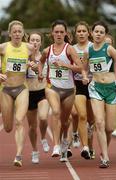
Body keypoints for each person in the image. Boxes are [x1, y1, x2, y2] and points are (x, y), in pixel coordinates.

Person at [38, 19, 86, 162]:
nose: (59, 34)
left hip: (69, 89)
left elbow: (80, 67)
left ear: (65, 33)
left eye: (61, 32)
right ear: (52, 33)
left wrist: (65, 65)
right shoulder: (47, 50)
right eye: (56, 32)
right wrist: (40, 73)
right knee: (56, 113)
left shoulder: (69, 49)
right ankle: (56, 146)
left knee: (65, 121)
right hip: (53, 88)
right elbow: (40, 62)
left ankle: (66, 141)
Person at [83, 21, 116, 168]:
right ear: (92, 32)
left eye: (102, 32)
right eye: (96, 31)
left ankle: (104, 150)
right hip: (96, 88)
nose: (98, 34)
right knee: (100, 123)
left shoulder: (109, 49)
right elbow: (84, 68)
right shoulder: (88, 51)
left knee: (109, 128)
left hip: (112, 90)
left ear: (105, 35)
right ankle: (105, 158)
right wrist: (85, 76)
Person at [0, 20, 35, 167]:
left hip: (22, 88)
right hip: (6, 90)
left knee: (20, 121)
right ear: (9, 33)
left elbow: (35, 66)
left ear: (23, 33)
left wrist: (34, 66)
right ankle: (8, 124)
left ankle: (18, 155)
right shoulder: (2, 47)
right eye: (14, 31)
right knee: (8, 127)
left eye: (19, 31)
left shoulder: (29, 48)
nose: (17, 34)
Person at [68, 21, 95, 159]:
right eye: (79, 31)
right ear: (75, 33)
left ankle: (90, 146)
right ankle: (85, 147)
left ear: (88, 33)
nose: (81, 33)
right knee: (82, 116)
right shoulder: (71, 49)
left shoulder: (93, 47)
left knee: (91, 120)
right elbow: (68, 67)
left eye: (84, 31)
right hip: (78, 85)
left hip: (93, 85)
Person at [26, 32, 50, 164]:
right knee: (31, 127)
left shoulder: (44, 57)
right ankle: (35, 150)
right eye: (32, 40)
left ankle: (44, 138)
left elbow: (46, 76)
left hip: (42, 91)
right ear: (29, 42)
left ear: (41, 43)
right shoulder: (24, 57)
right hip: (28, 94)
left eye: (37, 40)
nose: (35, 42)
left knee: (43, 117)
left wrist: (37, 70)